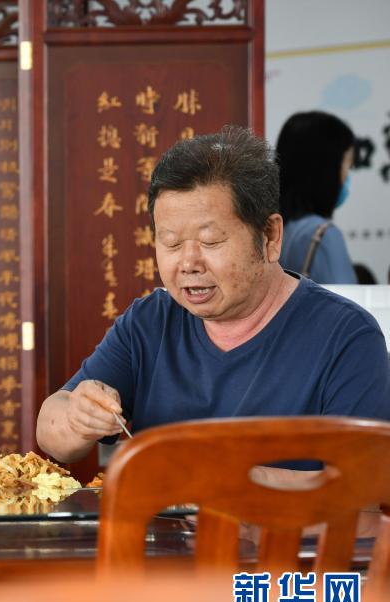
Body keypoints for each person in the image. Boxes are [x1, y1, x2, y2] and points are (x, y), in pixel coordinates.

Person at [36, 126, 390, 470]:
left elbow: (360, 487)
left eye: (211, 241)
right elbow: (51, 432)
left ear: (270, 236)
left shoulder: (346, 336)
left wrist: (210, 475)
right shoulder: (149, 323)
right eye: (171, 243)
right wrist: (77, 417)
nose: (188, 263)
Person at [276, 111, 357, 283]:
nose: (346, 177)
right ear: (326, 169)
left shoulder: (270, 232)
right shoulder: (323, 236)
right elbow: (347, 300)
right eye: (347, 166)